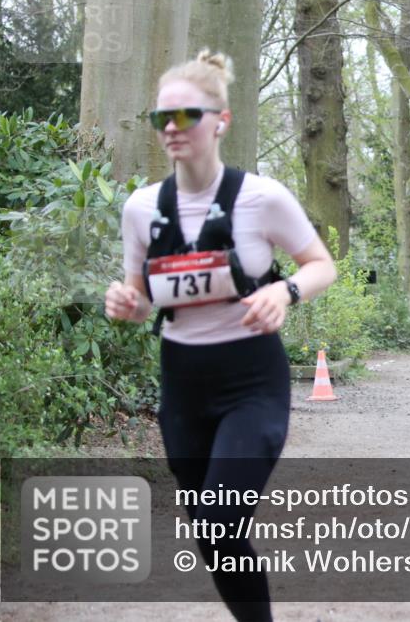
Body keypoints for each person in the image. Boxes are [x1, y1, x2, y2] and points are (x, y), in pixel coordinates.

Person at [104, 49, 336, 622]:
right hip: (182, 386)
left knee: (219, 519)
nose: (173, 129)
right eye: (163, 118)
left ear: (221, 121)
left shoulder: (262, 197)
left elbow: (319, 264)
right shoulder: (141, 210)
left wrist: (285, 292)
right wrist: (123, 304)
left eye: (187, 116)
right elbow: (139, 303)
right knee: (212, 539)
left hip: (252, 382)